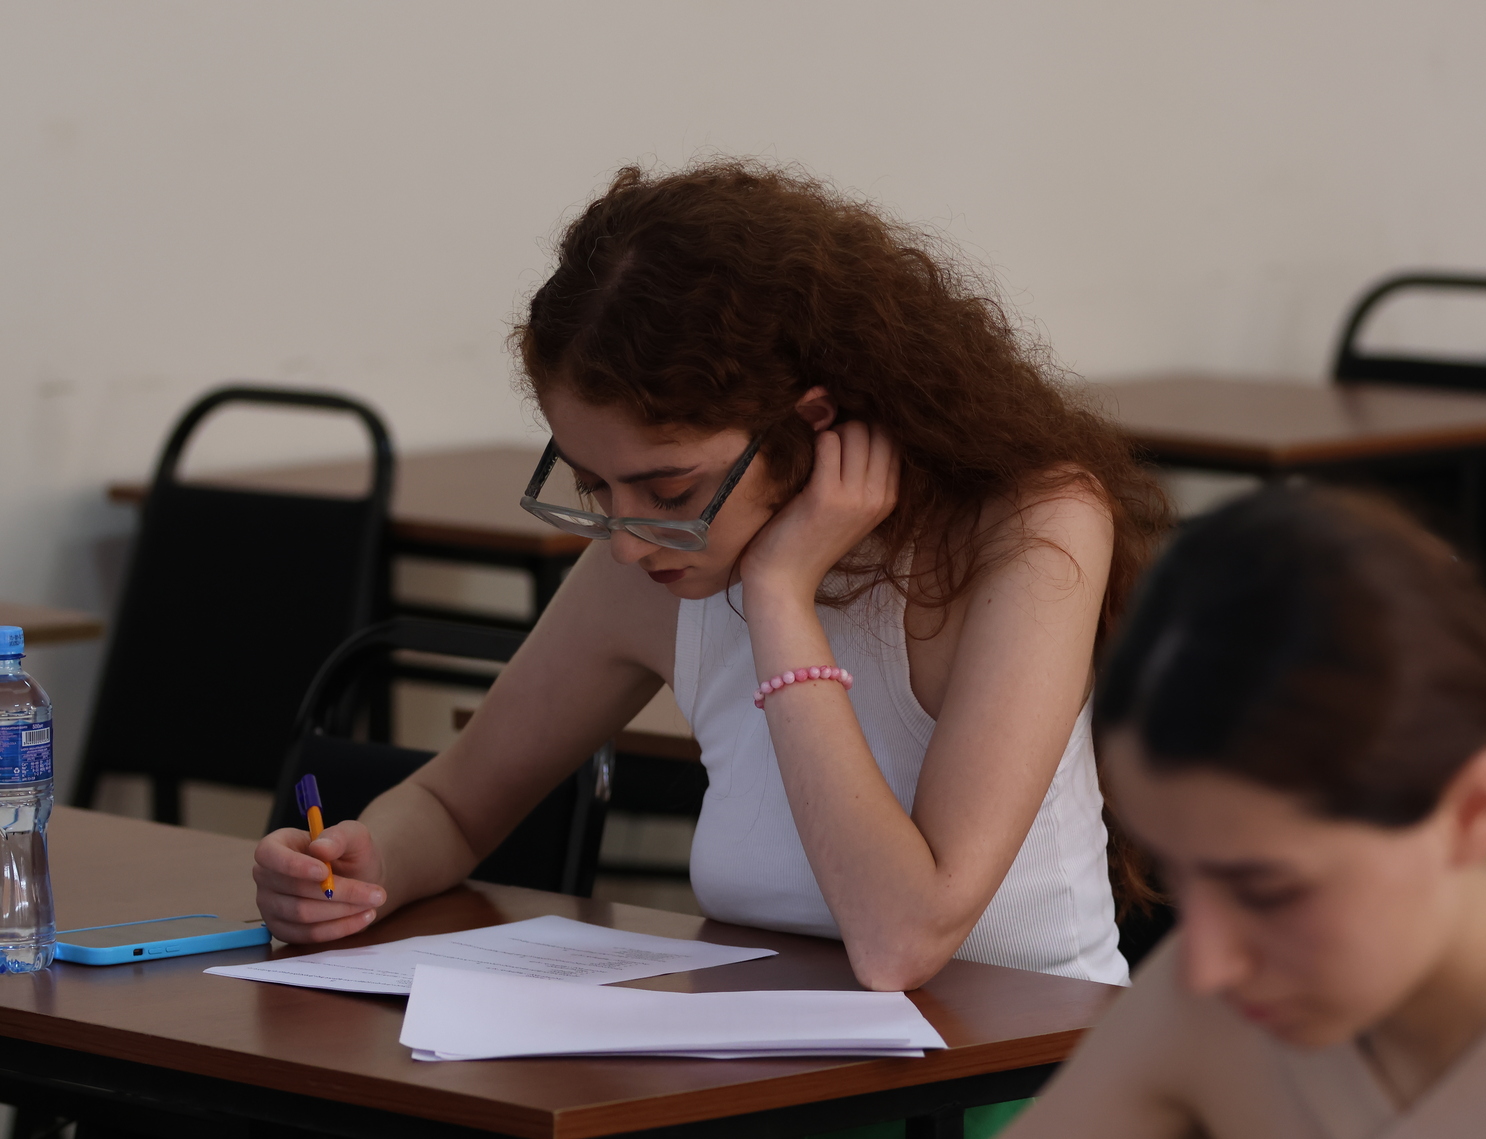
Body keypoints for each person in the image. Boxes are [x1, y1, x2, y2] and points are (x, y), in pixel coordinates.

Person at [253, 160, 1166, 1002]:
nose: (625, 541)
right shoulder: (652, 558)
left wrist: (780, 597)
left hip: (1026, 1073)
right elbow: (453, 807)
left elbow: (902, 940)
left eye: (669, 490)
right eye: (593, 485)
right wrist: (360, 868)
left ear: (811, 421)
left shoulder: (1032, 528)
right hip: (768, 1075)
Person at [982, 484, 1486, 1139]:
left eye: (1269, 892)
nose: (1207, 963)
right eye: (1181, 880)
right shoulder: (1211, 1005)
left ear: (1475, 811)